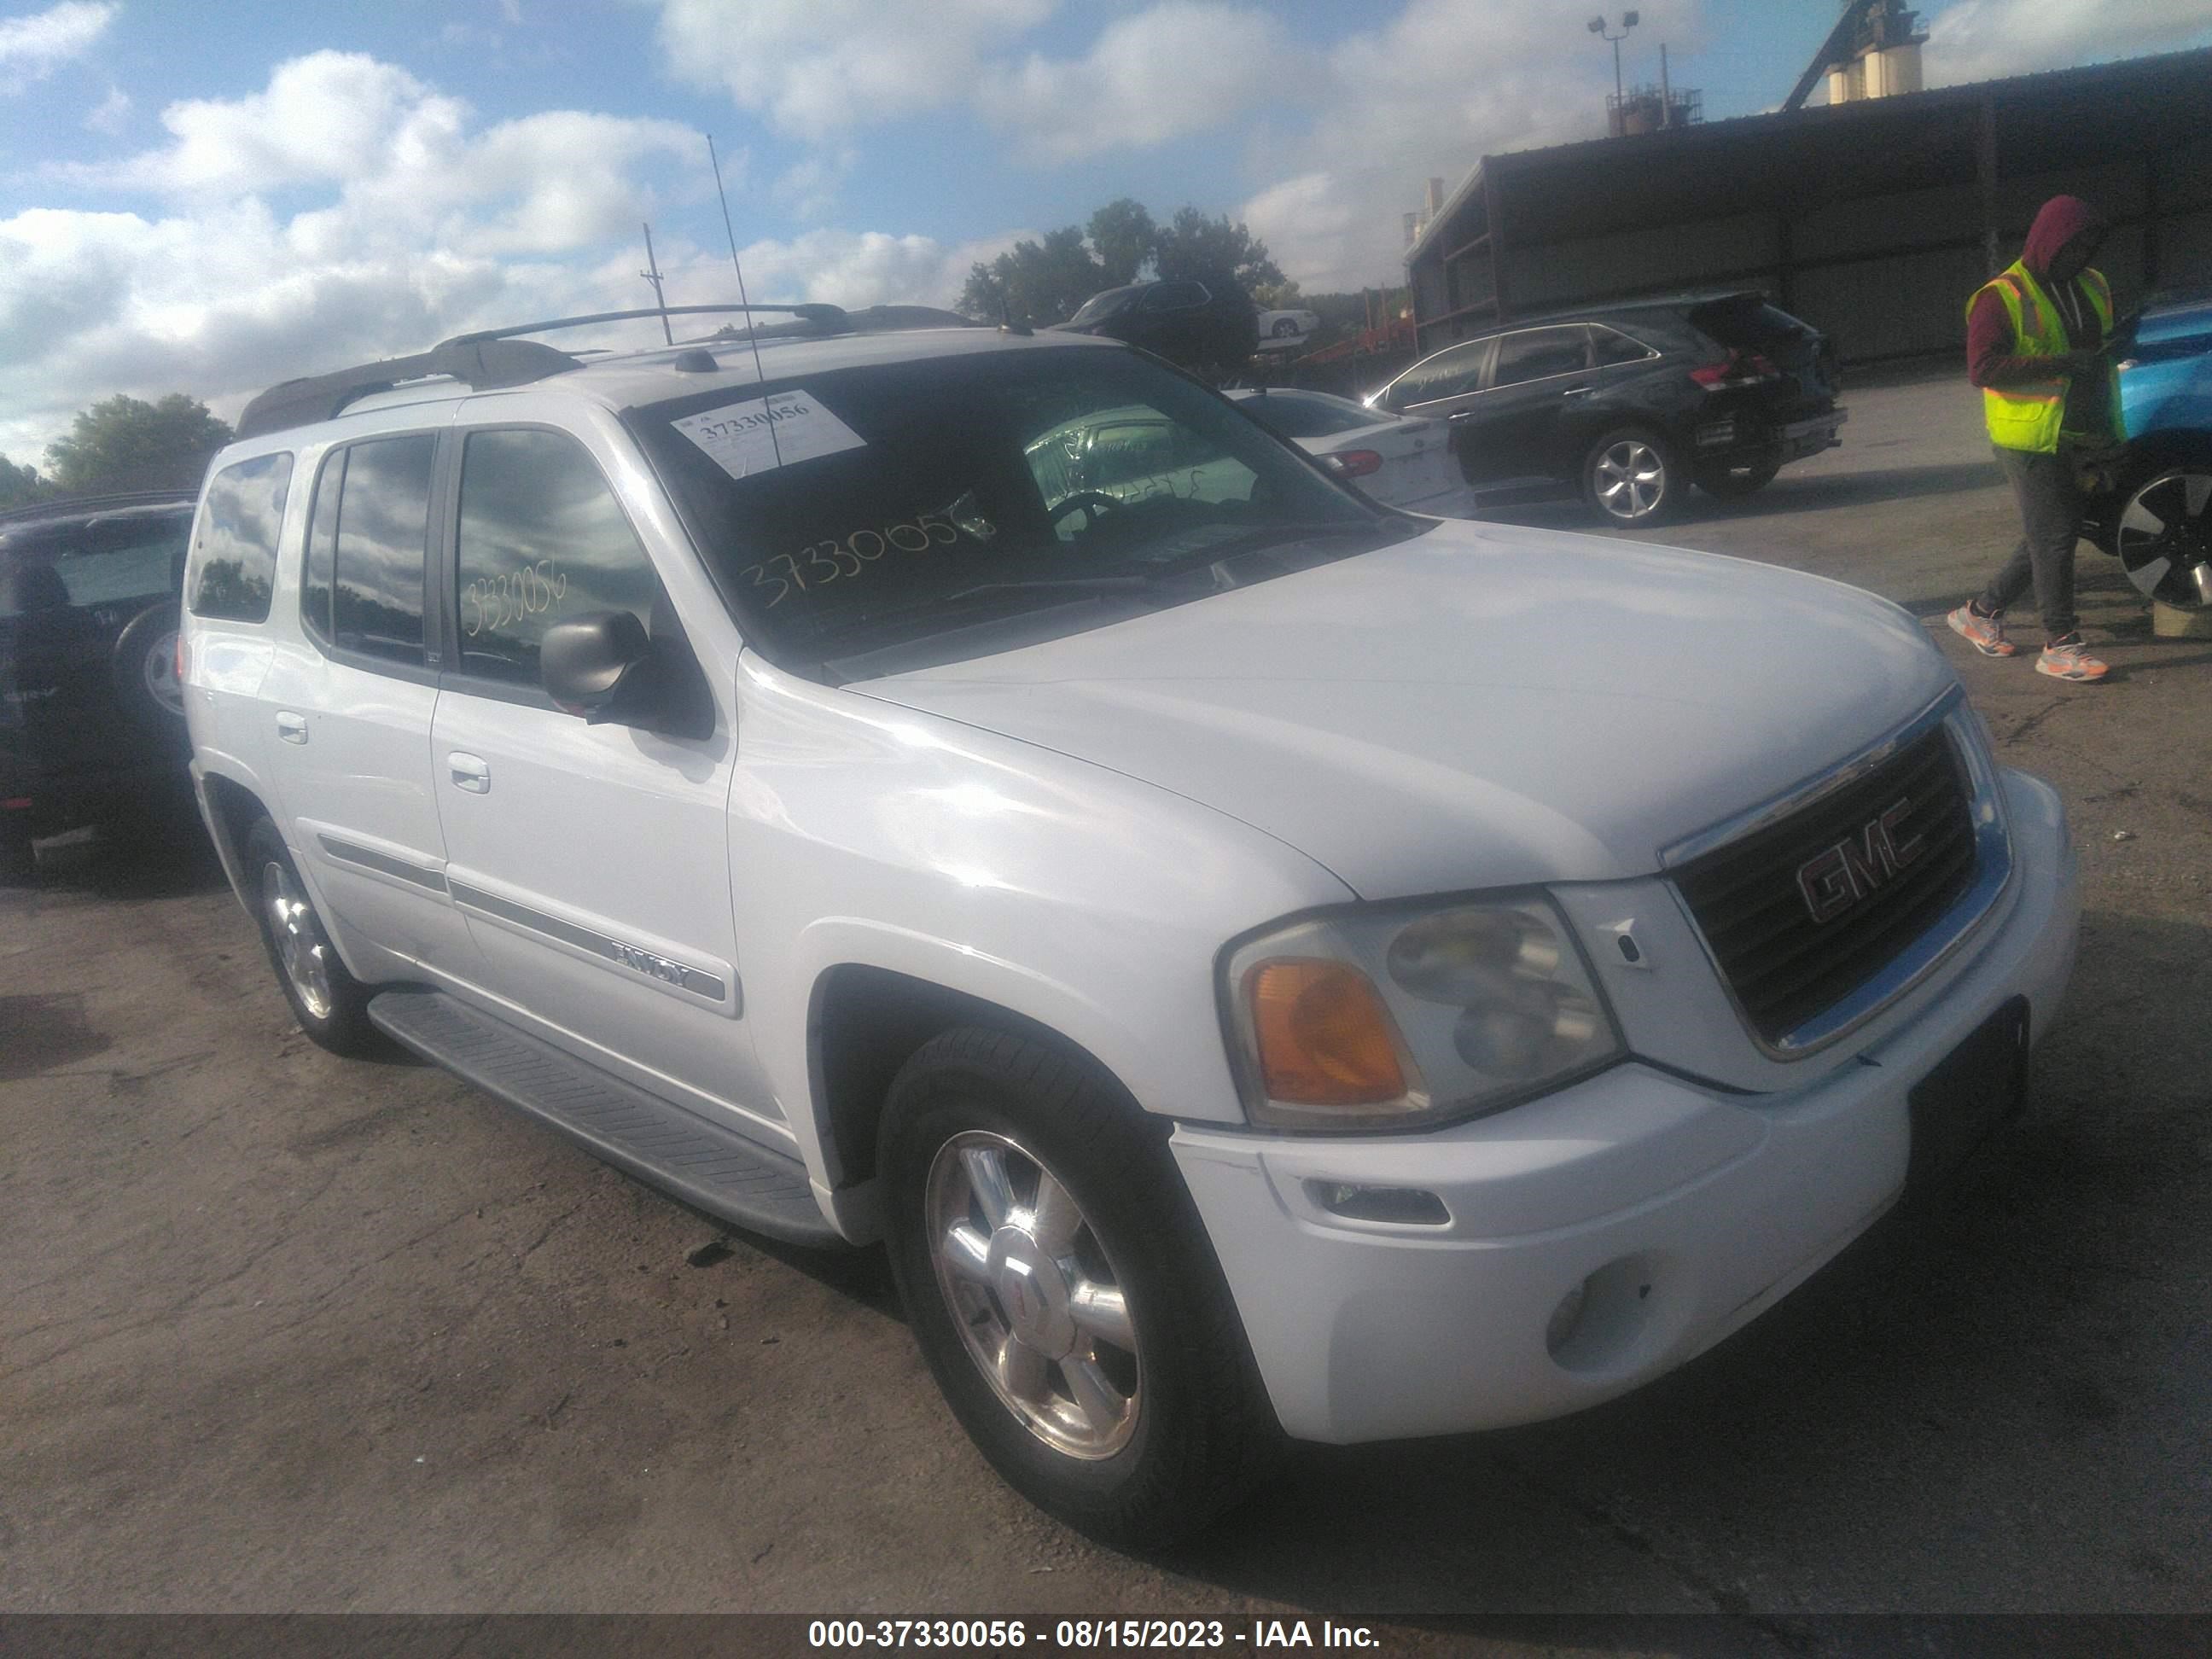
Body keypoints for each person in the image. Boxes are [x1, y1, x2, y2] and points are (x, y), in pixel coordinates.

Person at [1947, 195, 2128, 684]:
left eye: (2089, 248)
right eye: (2072, 247)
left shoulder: (2094, 284)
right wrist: (2063, 363)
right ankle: (2060, 643)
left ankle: (1980, 612)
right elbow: (1982, 368)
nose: (2081, 257)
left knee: (2052, 530)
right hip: (2029, 437)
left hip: (2084, 429)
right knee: (2054, 536)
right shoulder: (2001, 296)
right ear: (2048, 241)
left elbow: (2098, 345)